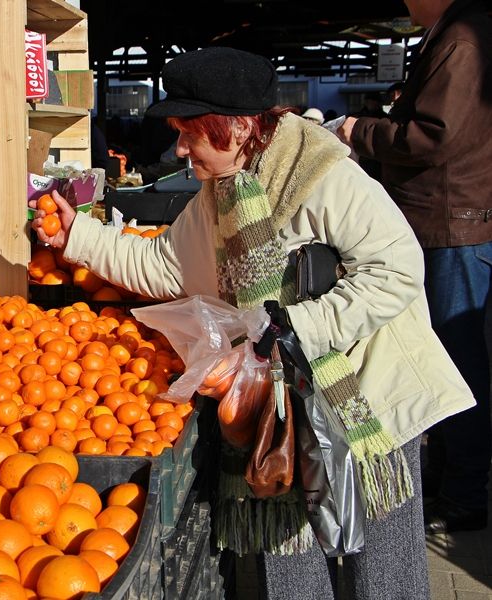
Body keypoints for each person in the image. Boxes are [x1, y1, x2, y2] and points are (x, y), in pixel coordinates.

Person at [30, 46, 474, 600]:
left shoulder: (323, 176)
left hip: (365, 396)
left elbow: (396, 270)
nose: (179, 148)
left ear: (238, 127)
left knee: (383, 573)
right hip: (280, 403)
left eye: (190, 133)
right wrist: (77, 235)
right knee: (289, 556)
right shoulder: (218, 194)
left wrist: (292, 327)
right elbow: (164, 264)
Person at [338, 0, 492, 535]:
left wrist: (360, 131)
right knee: (447, 357)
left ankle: (464, 494)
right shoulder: (451, 36)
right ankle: (451, 483)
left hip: (451, 225)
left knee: (453, 362)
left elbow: (435, 136)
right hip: (443, 221)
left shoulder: (463, 40)